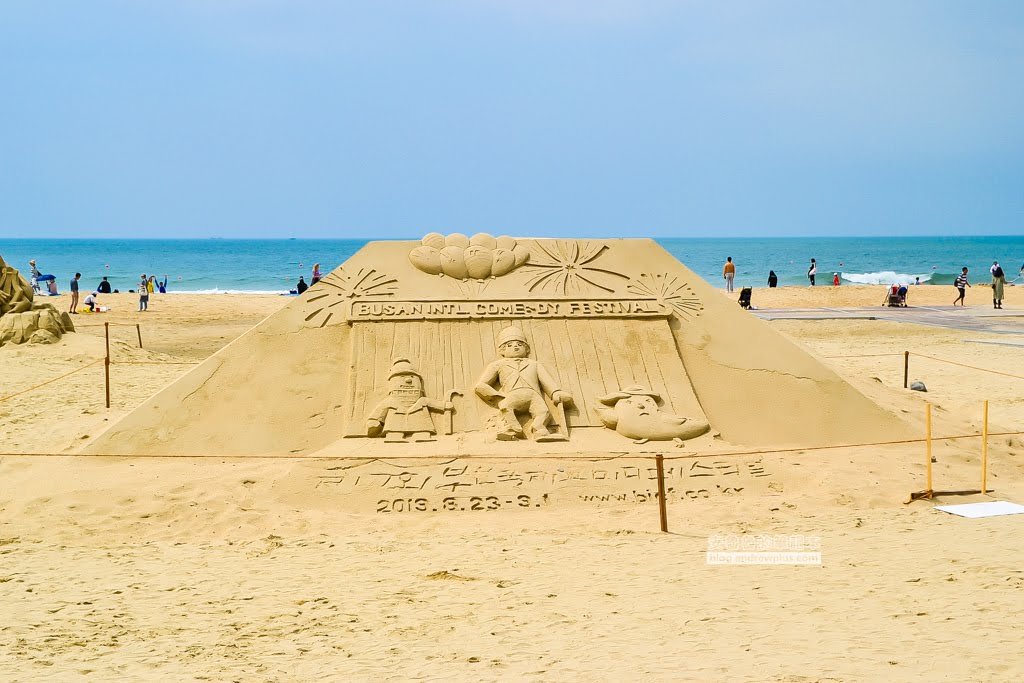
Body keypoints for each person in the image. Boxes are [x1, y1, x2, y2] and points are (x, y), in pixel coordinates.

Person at [475, 326, 572, 442]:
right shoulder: (497, 365)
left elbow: (547, 381)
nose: (515, 347)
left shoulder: (534, 364)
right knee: (506, 407)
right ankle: (513, 429)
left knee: (543, 411)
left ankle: (539, 430)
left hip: (533, 395)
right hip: (512, 395)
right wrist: (499, 398)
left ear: (527, 349)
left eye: (519, 344)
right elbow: (480, 386)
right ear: (501, 351)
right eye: (509, 345)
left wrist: (555, 392)